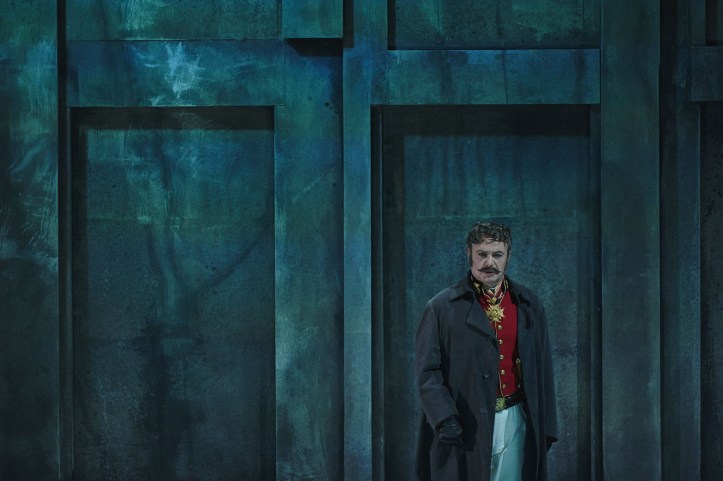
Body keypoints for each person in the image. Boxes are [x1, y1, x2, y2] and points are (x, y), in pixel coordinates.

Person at [414, 222, 557, 481]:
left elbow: (543, 367)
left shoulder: (529, 304)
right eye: (482, 254)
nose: (489, 262)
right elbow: (427, 373)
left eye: (497, 254)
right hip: (466, 420)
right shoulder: (441, 307)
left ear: (508, 256)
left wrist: (546, 425)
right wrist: (444, 418)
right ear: (469, 253)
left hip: (517, 417)